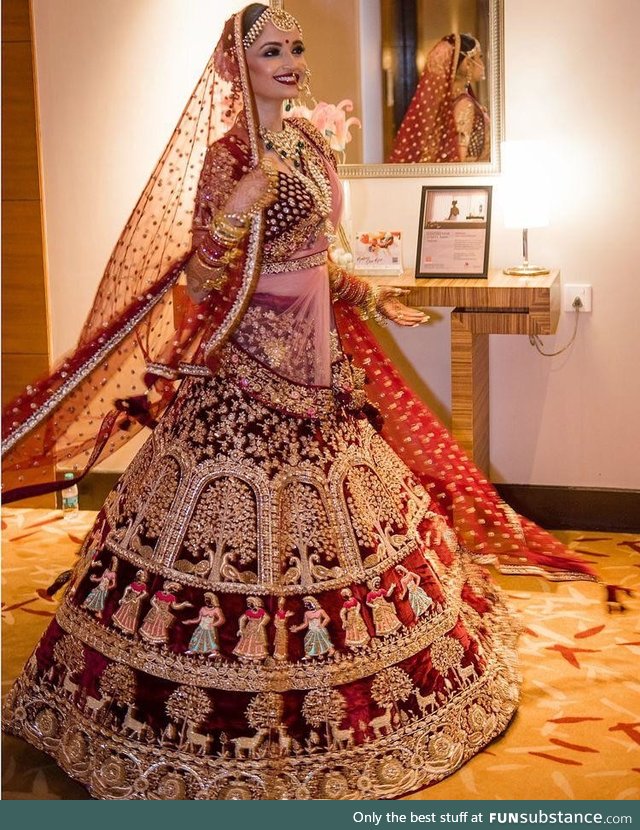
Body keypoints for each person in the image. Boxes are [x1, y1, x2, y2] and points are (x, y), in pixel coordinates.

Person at [2, 4, 598, 801]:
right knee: (225, 533)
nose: (287, 60)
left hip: (321, 361)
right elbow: (206, 279)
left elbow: (314, 254)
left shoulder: (312, 143)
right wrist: (242, 199)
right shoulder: (227, 157)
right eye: (269, 51)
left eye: (294, 47)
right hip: (247, 372)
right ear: (234, 68)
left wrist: (377, 298)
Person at [388, 33, 490, 164]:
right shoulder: (465, 105)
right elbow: (459, 159)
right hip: (470, 180)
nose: (482, 63)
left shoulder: (453, 102)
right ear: (467, 64)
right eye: (479, 57)